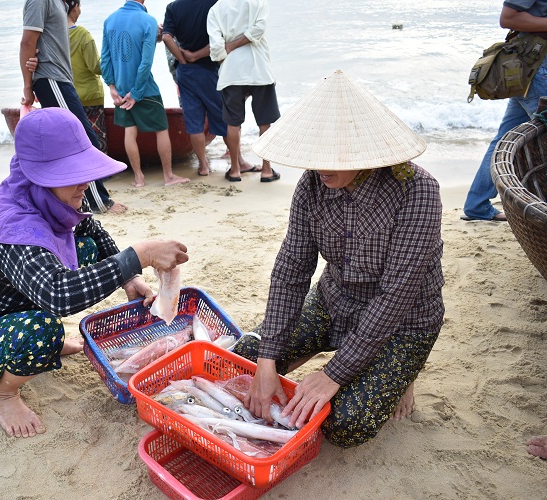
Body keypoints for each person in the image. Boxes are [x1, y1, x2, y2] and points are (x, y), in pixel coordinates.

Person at [0, 108, 188, 438]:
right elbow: (59, 296)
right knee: (43, 330)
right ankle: (3, 394)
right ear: (40, 177)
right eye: (72, 174)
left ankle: (23, 345)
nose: (85, 183)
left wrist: (128, 278)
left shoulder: (48, 200)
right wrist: (141, 255)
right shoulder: (17, 228)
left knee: (85, 245)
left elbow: (92, 230)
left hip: (3, 308)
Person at [233, 70, 443, 448]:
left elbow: (396, 295)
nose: (320, 167)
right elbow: (292, 269)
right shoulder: (312, 183)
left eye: (332, 158)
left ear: (364, 153)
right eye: (315, 156)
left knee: (344, 425)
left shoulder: (417, 190)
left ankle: (405, 376)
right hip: (335, 301)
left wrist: (333, 374)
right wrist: (266, 363)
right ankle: (298, 358)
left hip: (404, 321)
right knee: (246, 356)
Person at [20, 0, 124, 214]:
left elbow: (43, 41)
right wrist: (28, 86)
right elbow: (27, 42)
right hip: (52, 79)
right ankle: (99, 202)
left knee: (70, 142)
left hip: (61, 80)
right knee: (83, 139)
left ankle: (72, 199)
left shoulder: (59, 3)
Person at [462, 0, 547, 221]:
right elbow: (508, 18)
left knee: (503, 140)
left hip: (533, 66)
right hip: (537, 67)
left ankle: (477, 205)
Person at [161, 0, 258, 177]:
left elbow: (166, 37)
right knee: (226, 118)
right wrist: (196, 56)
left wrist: (182, 60)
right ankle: (239, 162)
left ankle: (203, 166)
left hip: (185, 72)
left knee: (194, 122)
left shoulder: (173, 7)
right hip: (209, 70)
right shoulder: (213, 4)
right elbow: (219, 42)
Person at [101, 0, 190, 187]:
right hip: (144, 88)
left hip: (120, 88)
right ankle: (168, 176)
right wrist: (136, 92)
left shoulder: (109, 20)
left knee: (129, 131)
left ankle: (138, 178)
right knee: (161, 128)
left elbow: (106, 58)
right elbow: (146, 62)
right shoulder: (148, 20)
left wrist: (111, 86)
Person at [206, 0, 280, 183]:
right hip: (259, 69)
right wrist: (237, 44)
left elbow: (216, 47)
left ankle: (235, 170)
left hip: (232, 72)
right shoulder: (257, 2)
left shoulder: (216, 9)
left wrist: (227, 53)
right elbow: (259, 30)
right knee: (264, 121)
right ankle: (267, 169)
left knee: (233, 122)